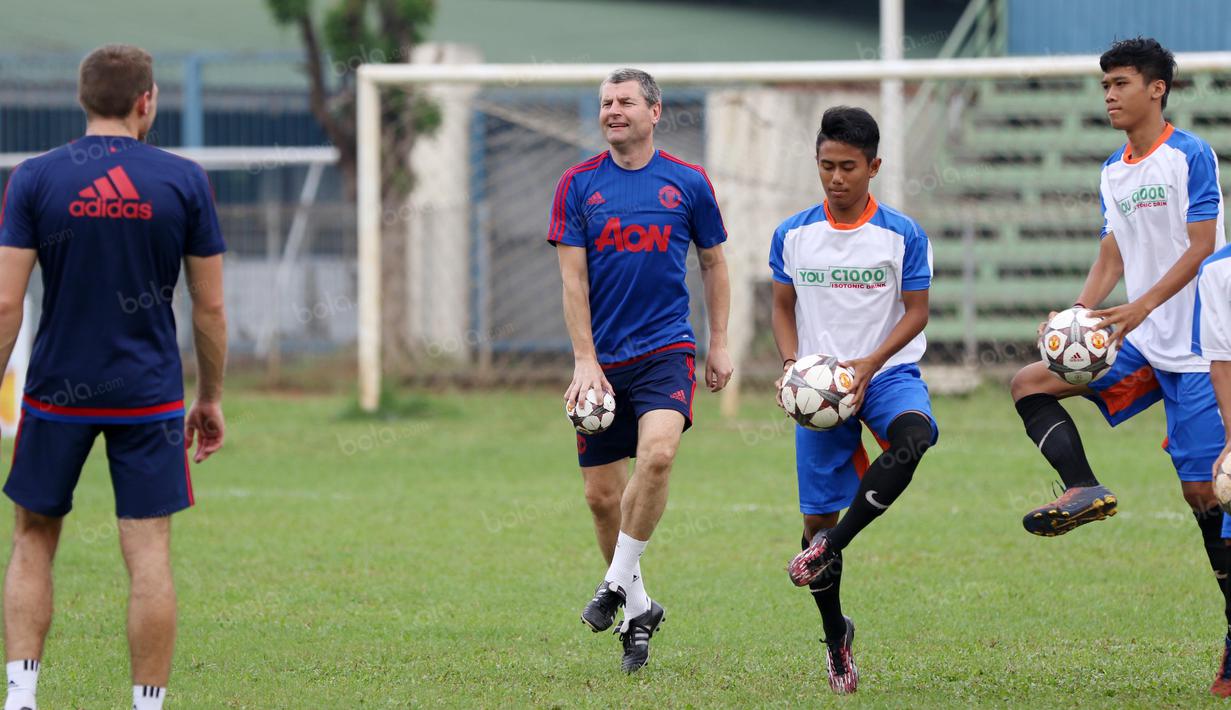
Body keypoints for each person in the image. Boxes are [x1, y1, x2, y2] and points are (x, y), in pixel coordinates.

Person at [0, 44, 227, 710]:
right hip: (148, 396)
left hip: (54, 394)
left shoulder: (35, 178)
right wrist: (210, 396)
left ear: (83, 98)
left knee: (33, 537)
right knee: (148, 547)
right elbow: (209, 306)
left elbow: (6, 303)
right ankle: (146, 705)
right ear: (146, 101)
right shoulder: (183, 180)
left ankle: (19, 698)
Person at [1009, 37, 1231, 696]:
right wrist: (1074, 316)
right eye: (1103, 84)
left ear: (1155, 89)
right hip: (1136, 337)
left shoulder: (1188, 155)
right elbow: (1111, 251)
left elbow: (1200, 249)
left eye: (1120, 83)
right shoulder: (1112, 169)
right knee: (1029, 381)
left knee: (1205, 497)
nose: (1108, 95)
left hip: (1195, 346)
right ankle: (1083, 488)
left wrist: (1138, 307)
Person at [547, 68, 732, 673]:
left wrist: (719, 342)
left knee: (657, 457)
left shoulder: (688, 182)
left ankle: (612, 587)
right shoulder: (577, 186)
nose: (613, 111)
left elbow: (713, 263)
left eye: (625, 102)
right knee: (602, 498)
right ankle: (638, 608)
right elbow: (572, 279)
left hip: (665, 352)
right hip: (601, 365)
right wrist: (584, 360)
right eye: (605, 103)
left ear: (655, 111)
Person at [770, 106, 937, 694]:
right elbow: (782, 306)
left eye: (848, 167)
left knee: (917, 437)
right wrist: (793, 366)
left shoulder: (903, 234)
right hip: (819, 389)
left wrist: (869, 363)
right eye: (826, 166)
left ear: (874, 167)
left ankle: (830, 550)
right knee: (815, 518)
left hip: (886, 372)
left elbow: (917, 311)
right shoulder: (792, 234)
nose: (835, 178)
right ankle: (836, 635)